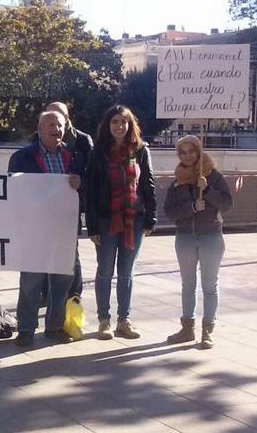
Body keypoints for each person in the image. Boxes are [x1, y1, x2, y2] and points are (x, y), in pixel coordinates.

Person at [9, 110, 84, 346]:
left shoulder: (74, 157)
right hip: (34, 230)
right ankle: (26, 328)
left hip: (64, 229)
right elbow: (12, 190)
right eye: (50, 124)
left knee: (61, 281)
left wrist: (81, 184)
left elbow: (87, 190)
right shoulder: (22, 157)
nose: (56, 129)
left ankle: (54, 326)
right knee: (31, 280)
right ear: (40, 130)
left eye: (60, 125)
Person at [85, 105, 156, 340]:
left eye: (123, 122)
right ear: (108, 125)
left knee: (127, 273)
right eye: (114, 122)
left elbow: (148, 184)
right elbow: (91, 191)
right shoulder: (98, 153)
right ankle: (103, 320)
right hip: (106, 221)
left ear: (130, 125)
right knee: (105, 271)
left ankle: (123, 320)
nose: (119, 126)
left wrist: (150, 218)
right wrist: (92, 226)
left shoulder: (141, 151)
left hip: (133, 220)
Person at [164, 135, 232, 349]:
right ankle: (187, 329)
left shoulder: (213, 176)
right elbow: (169, 212)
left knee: (209, 285)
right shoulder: (177, 181)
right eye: (182, 152)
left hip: (210, 236)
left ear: (198, 151)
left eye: (191, 150)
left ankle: (207, 330)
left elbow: (228, 204)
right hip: (185, 237)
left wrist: (209, 191)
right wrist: (192, 207)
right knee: (188, 284)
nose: (188, 156)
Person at [46, 102, 93, 300]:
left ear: (67, 119)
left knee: (71, 251)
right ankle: (47, 293)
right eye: (50, 117)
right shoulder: (39, 138)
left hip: (71, 208)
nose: (55, 124)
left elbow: (92, 173)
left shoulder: (83, 140)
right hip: (46, 210)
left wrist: (81, 183)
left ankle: (74, 293)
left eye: (59, 117)